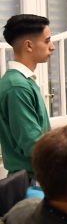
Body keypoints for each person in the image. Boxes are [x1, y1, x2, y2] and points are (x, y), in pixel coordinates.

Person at [0, 15, 54, 176]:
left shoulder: (22, 82)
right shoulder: (17, 87)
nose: (52, 47)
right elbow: (33, 145)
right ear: (29, 45)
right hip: (32, 183)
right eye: (47, 41)